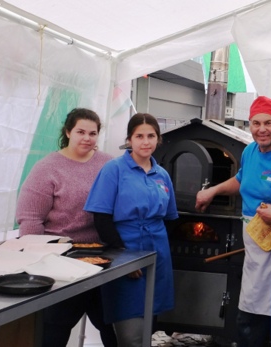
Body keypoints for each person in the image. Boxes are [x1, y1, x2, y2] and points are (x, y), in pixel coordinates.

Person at [195, 96, 271, 347]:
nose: (261, 129)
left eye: (268, 123)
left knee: (265, 306)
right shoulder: (249, 151)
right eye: (256, 123)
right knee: (255, 302)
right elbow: (240, 181)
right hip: (252, 236)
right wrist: (213, 190)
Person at [16, 108, 117, 347]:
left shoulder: (108, 164)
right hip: (60, 259)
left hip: (101, 257)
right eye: (80, 131)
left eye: (92, 133)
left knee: (109, 323)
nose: (87, 138)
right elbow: (30, 218)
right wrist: (39, 263)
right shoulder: (47, 168)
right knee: (55, 328)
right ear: (68, 131)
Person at [84, 113, 178, 347]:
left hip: (157, 257)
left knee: (149, 328)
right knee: (130, 335)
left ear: (158, 139)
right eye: (139, 136)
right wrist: (124, 259)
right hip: (125, 253)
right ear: (129, 140)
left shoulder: (162, 175)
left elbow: (170, 218)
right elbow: (101, 219)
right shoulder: (114, 169)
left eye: (151, 136)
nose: (145, 142)